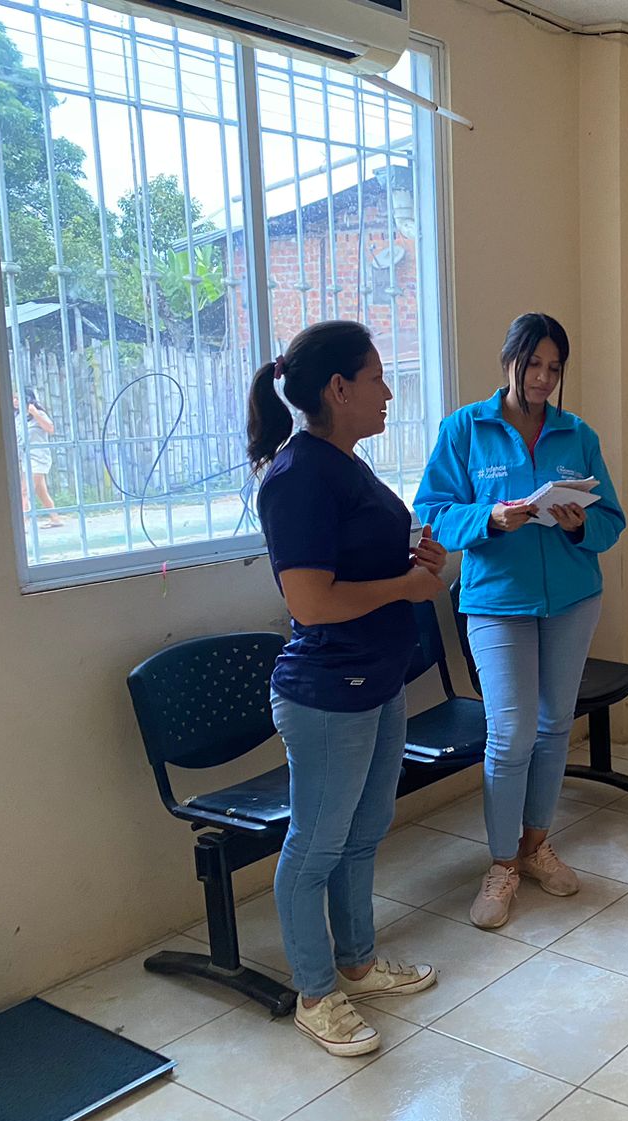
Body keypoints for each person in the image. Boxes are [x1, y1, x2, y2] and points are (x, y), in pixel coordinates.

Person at [248, 319, 443, 1056]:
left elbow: (360, 563)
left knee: (364, 833)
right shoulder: (296, 477)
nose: (388, 392)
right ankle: (316, 994)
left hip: (379, 679)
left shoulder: (346, 464)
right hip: (327, 693)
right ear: (338, 389)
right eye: (376, 378)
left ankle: (357, 962)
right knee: (315, 847)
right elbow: (311, 601)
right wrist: (405, 587)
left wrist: (416, 563)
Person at [414, 313, 626, 930]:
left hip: (573, 600)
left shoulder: (576, 433)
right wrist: (490, 518)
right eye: (533, 364)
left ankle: (536, 846)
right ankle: (502, 863)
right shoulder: (465, 428)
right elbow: (433, 513)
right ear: (509, 361)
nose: (542, 377)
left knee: (555, 725)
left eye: (554, 368)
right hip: (495, 603)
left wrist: (579, 525)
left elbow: (612, 521)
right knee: (510, 735)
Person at [14, 388, 64, 527]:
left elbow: (50, 429)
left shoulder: (39, 414)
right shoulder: (18, 417)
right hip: (26, 458)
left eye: (18, 398)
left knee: (25, 490)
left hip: (38, 458)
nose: (15, 401)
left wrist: (35, 413)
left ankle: (24, 522)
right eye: (14, 398)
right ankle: (55, 518)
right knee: (40, 491)